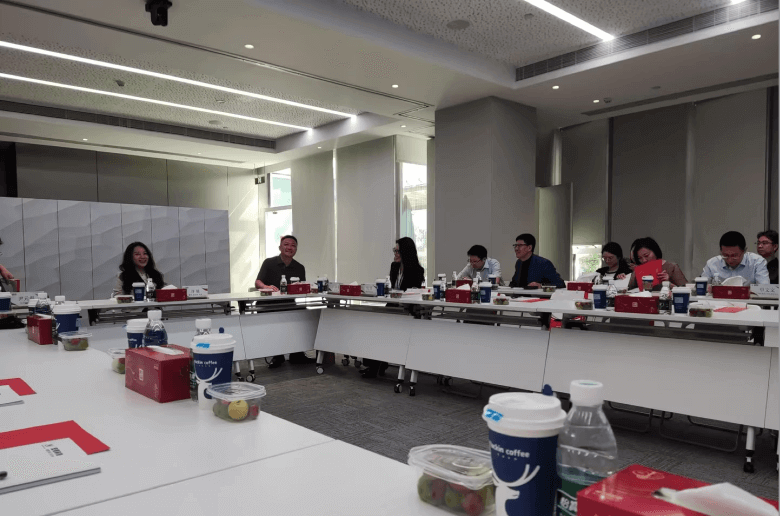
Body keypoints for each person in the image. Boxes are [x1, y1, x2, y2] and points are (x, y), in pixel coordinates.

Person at [361, 237, 424, 379]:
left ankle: (375, 367)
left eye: (397, 251)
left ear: (405, 252)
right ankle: (376, 365)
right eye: (394, 250)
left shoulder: (417, 270)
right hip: (392, 307)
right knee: (373, 324)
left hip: (407, 309)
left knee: (383, 329)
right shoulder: (394, 267)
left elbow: (413, 292)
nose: (395, 254)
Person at [256, 235, 314, 368]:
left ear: (296, 249)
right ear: (280, 247)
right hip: (268, 304)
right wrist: (266, 287)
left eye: (293, 245)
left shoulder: (299, 267)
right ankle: (277, 355)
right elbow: (258, 282)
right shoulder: (269, 263)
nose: (289, 248)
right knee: (275, 319)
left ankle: (297, 353)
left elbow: (301, 287)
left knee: (304, 315)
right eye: (286, 244)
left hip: (289, 303)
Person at [701, 231, 769, 285]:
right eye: (725, 255)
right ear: (720, 251)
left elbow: (764, 289)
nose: (730, 260)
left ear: (744, 251)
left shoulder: (757, 262)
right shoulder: (712, 263)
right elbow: (701, 285)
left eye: (734, 256)